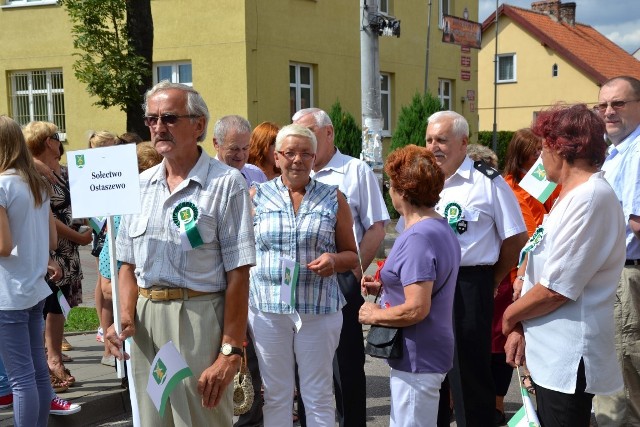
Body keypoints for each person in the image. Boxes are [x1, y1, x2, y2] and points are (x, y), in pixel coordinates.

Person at [105, 81, 256, 426]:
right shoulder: (139, 185)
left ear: (199, 125)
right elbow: (126, 262)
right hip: (145, 322)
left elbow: (239, 272)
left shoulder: (226, 183)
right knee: (154, 419)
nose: (158, 127)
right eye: (152, 119)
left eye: (170, 118)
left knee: (201, 418)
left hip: (199, 317)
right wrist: (124, 315)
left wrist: (231, 349)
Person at [503, 104, 625, 426]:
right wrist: (519, 327)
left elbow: (556, 289)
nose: (541, 157)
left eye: (543, 146)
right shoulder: (569, 195)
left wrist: (508, 316)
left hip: (567, 358)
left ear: (560, 148)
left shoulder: (589, 198)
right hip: (549, 350)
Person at [249, 124, 358, 426]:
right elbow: (242, 252)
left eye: (305, 154)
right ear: (276, 156)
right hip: (268, 308)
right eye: (289, 153)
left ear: (314, 158)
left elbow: (352, 255)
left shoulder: (333, 198)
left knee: (318, 393)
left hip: (318, 310)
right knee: (275, 393)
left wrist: (334, 260)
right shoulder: (256, 196)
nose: (297, 160)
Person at [424, 111, 528, 426]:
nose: (433, 147)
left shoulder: (487, 182)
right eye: (429, 139)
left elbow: (516, 236)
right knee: (431, 373)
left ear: (463, 142)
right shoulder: (424, 179)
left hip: (470, 283)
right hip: (428, 283)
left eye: (441, 140)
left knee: (469, 372)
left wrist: (493, 278)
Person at [293, 107, 389, 427]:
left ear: (329, 133)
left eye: (309, 135)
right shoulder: (294, 174)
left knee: (345, 365)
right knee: (306, 366)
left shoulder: (354, 170)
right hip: (302, 282)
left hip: (342, 278)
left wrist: (356, 269)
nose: (302, 144)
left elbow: (376, 226)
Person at [359, 145, 461, 427]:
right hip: (425, 351)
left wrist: (372, 314)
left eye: (390, 184)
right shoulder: (437, 226)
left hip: (418, 354)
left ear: (401, 190)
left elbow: (417, 308)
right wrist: (385, 286)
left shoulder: (418, 236)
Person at [493, 129, 560, 424]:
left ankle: (538, 394)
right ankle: (497, 401)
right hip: (512, 276)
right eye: (534, 155)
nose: (540, 161)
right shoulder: (506, 188)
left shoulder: (552, 187)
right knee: (504, 340)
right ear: (520, 157)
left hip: (547, 275)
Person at [23, 121, 94, 391]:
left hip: (69, 252)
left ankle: (54, 357)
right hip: (51, 251)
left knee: (60, 305)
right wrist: (78, 236)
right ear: (46, 141)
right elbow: (46, 217)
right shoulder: (35, 175)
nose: (59, 139)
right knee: (49, 305)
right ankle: (49, 360)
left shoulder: (63, 171)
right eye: (55, 136)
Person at [0, 115, 57, 426]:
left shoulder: (1, 185)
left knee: (20, 378)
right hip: (33, 288)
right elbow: (51, 239)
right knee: (36, 372)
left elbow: (3, 246)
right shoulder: (35, 183)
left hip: (7, 293)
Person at [593, 76, 640, 426]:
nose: (609, 112)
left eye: (618, 104)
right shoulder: (618, 151)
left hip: (627, 274)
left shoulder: (637, 153)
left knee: (621, 373)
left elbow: (637, 222)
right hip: (617, 275)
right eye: (603, 105)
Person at [87, 130, 119, 367]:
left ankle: (109, 332)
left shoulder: (117, 167)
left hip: (112, 224)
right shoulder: (90, 170)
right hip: (102, 229)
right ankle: (104, 328)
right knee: (103, 281)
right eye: (109, 147)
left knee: (108, 282)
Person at [213, 115, 267, 187]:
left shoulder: (257, 175)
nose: (240, 155)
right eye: (234, 149)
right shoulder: (205, 178)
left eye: (245, 148)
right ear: (216, 143)